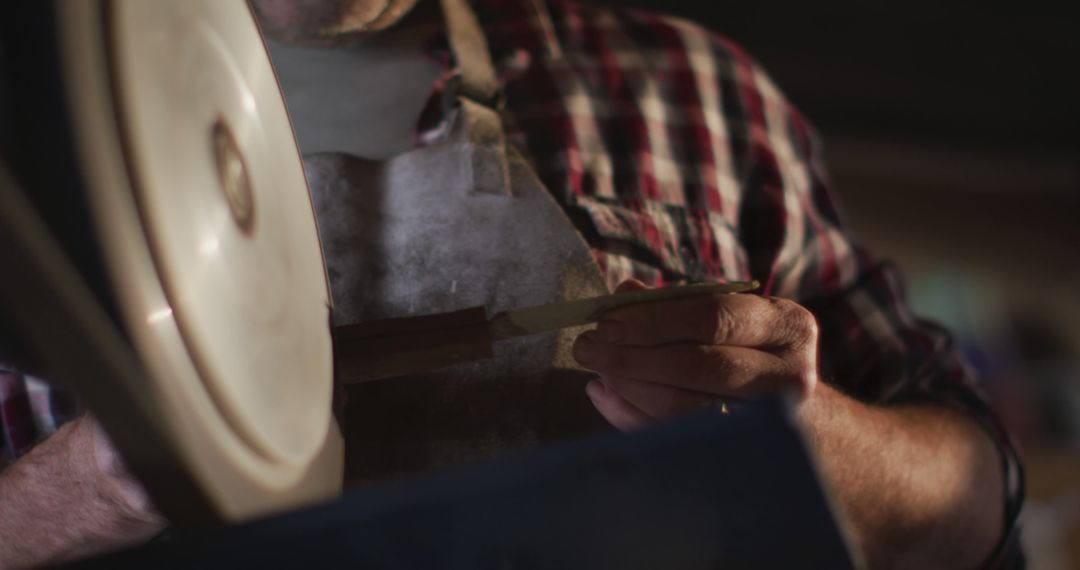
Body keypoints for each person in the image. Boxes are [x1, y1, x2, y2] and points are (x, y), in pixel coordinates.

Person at [0, 0, 1022, 568]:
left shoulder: (693, 89)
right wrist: (79, 493)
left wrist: (811, 436)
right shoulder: (21, 127)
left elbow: (983, 506)